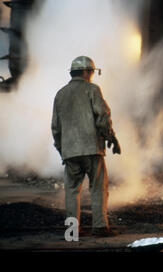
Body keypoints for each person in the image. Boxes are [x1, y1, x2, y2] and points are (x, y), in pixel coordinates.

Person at [51, 56, 121, 237]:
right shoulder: (92, 89)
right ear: (85, 72)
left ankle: (72, 230)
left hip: (70, 151)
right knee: (98, 188)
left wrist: (62, 150)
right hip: (91, 149)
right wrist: (111, 138)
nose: (91, 75)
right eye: (91, 72)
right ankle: (99, 227)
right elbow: (103, 116)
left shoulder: (60, 94)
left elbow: (56, 128)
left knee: (72, 190)